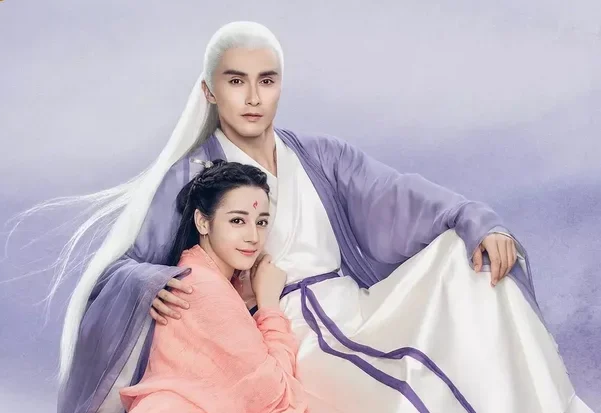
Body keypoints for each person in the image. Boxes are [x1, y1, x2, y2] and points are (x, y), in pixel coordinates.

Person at [49, 21, 594, 413]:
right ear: (210, 91)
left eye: (266, 80)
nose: (253, 97)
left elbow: (397, 194)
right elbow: (124, 267)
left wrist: (477, 219)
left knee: (465, 260)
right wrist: (147, 280)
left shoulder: (319, 156)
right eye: (236, 81)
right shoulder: (191, 176)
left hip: (356, 306)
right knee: (389, 394)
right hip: (280, 334)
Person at [117, 159, 307, 413]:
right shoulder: (203, 289)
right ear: (203, 222)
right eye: (237, 221)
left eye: (261, 222)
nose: (253, 237)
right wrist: (269, 305)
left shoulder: (198, 275)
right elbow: (275, 395)